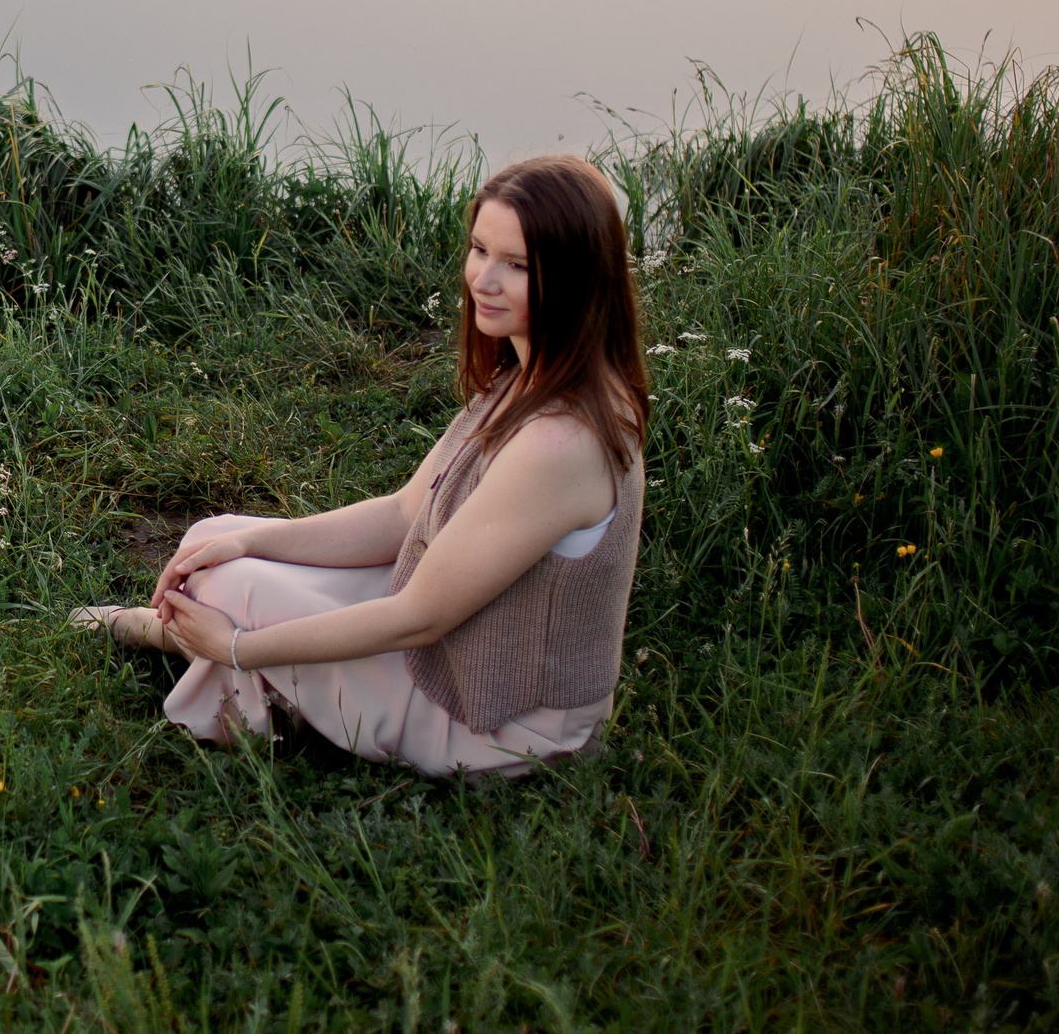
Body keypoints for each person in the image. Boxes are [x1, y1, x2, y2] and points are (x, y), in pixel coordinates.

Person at [71, 153, 649, 777]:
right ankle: (196, 639)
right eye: (481, 250)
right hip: (462, 643)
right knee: (213, 541)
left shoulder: (559, 442)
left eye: (517, 266)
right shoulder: (531, 373)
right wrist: (250, 534)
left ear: (576, 278)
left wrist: (240, 648)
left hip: (497, 719)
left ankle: (200, 653)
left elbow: (420, 617)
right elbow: (405, 513)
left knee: (228, 587)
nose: (483, 280)